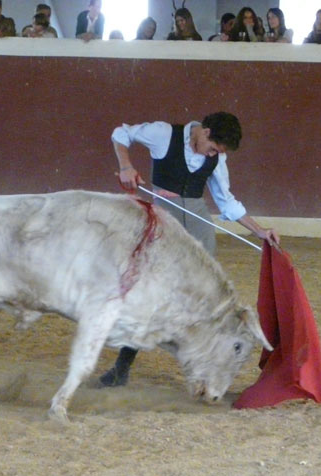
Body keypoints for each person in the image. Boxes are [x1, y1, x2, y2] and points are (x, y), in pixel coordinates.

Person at [99, 112, 280, 387]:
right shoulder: (163, 134)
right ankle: (121, 369)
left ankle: (208, 369)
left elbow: (226, 201)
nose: (212, 155)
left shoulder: (217, 157)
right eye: (213, 148)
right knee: (152, 295)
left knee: (204, 298)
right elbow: (121, 132)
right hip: (164, 220)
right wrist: (126, 166)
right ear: (204, 132)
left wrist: (259, 231)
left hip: (197, 223)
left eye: (217, 153)